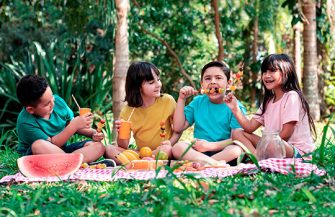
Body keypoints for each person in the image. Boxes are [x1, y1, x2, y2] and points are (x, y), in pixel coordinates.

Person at [224, 54, 316, 159]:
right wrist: (235, 108)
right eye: (264, 71)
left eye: (272, 71)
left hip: (296, 152)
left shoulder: (292, 96)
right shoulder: (268, 102)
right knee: (237, 133)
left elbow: (286, 133)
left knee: (272, 142)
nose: (267, 75)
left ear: (286, 72)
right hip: (273, 145)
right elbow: (249, 128)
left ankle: (261, 157)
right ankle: (257, 158)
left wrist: (266, 147)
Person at [16, 74, 106, 164]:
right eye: (47, 104)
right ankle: (71, 162)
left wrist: (93, 133)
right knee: (38, 145)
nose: (53, 103)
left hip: (62, 152)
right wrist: (74, 125)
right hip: (39, 155)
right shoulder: (25, 122)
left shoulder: (58, 102)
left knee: (98, 147)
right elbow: (52, 144)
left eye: (52, 97)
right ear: (31, 109)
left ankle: (68, 163)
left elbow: (72, 125)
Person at [172, 61, 247, 165]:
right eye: (208, 78)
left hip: (224, 153)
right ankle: (212, 164)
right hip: (199, 152)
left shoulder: (235, 107)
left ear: (229, 83)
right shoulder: (198, 102)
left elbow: (237, 139)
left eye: (218, 78)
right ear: (202, 84)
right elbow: (178, 127)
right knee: (178, 147)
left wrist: (211, 146)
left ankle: (203, 164)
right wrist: (181, 99)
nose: (212, 81)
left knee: (236, 149)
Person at [105, 62, 181, 163]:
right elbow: (123, 146)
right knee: (109, 149)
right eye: (151, 83)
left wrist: (169, 143)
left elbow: (178, 130)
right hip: (141, 153)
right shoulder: (128, 111)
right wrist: (121, 133)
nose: (158, 84)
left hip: (162, 150)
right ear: (137, 87)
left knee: (166, 150)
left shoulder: (167, 101)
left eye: (158, 80)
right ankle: (145, 162)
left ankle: (138, 163)